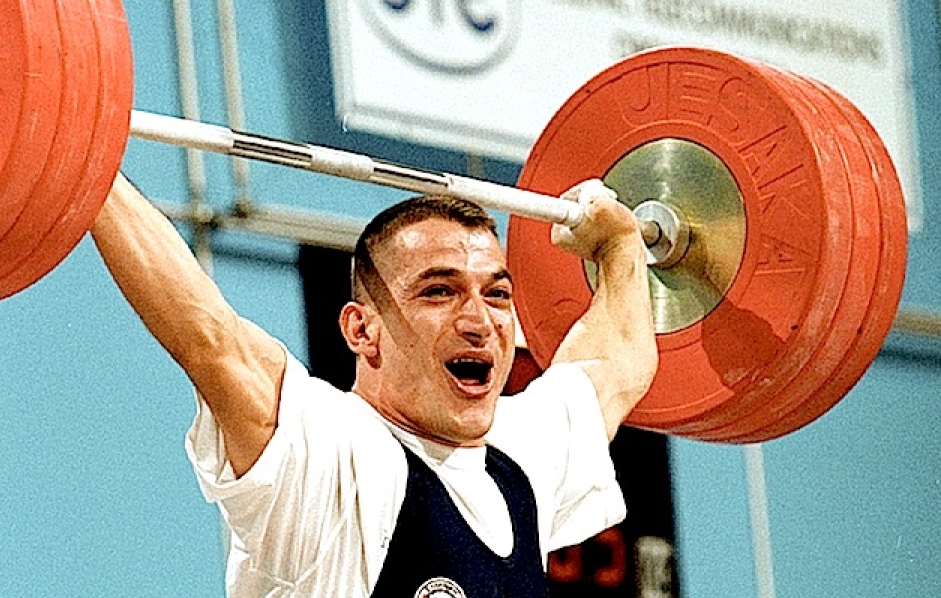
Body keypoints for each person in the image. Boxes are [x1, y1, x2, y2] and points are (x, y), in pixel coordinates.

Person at [91, 171, 657, 598]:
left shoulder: (521, 458)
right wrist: (89, 162)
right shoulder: (339, 461)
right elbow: (208, 338)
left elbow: (618, 365)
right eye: (439, 291)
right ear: (362, 330)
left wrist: (621, 246)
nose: (479, 321)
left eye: (496, 294)